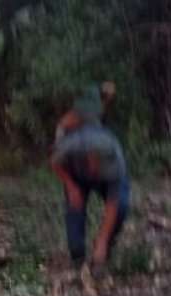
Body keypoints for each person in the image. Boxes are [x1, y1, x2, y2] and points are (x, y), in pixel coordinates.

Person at [50, 86, 130, 285]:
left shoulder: (115, 160)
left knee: (122, 206)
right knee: (74, 209)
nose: (96, 167)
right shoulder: (73, 144)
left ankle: (103, 250)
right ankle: (78, 258)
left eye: (100, 164)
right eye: (93, 161)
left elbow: (113, 203)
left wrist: (102, 240)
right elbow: (54, 163)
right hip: (77, 176)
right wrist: (71, 186)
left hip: (108, 180)